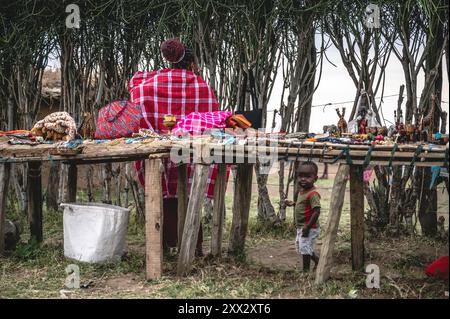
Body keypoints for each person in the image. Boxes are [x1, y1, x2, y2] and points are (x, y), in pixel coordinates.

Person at [129, 38, 222, 255]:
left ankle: (163, 246)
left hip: (159, 150)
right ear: (191, 63)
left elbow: (136, 95)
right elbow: (213, 118)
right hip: (192, 153)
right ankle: (194, 247)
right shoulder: (201, 86)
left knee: (163, 197)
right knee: (190, 200)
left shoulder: (151, 84)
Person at [285, 161, 321, 272]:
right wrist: (293, 204)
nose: (303, 179)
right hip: (302, 226)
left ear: (315, 178)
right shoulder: (302, 191)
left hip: (309, 227)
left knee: (304, 248)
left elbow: (316, 211)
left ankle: (306, 271)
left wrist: (308, 226)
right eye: (300, 176)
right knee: (303, 247)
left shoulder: (313, 194)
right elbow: (305, 205)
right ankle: (317, 261)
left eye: (307, 176)